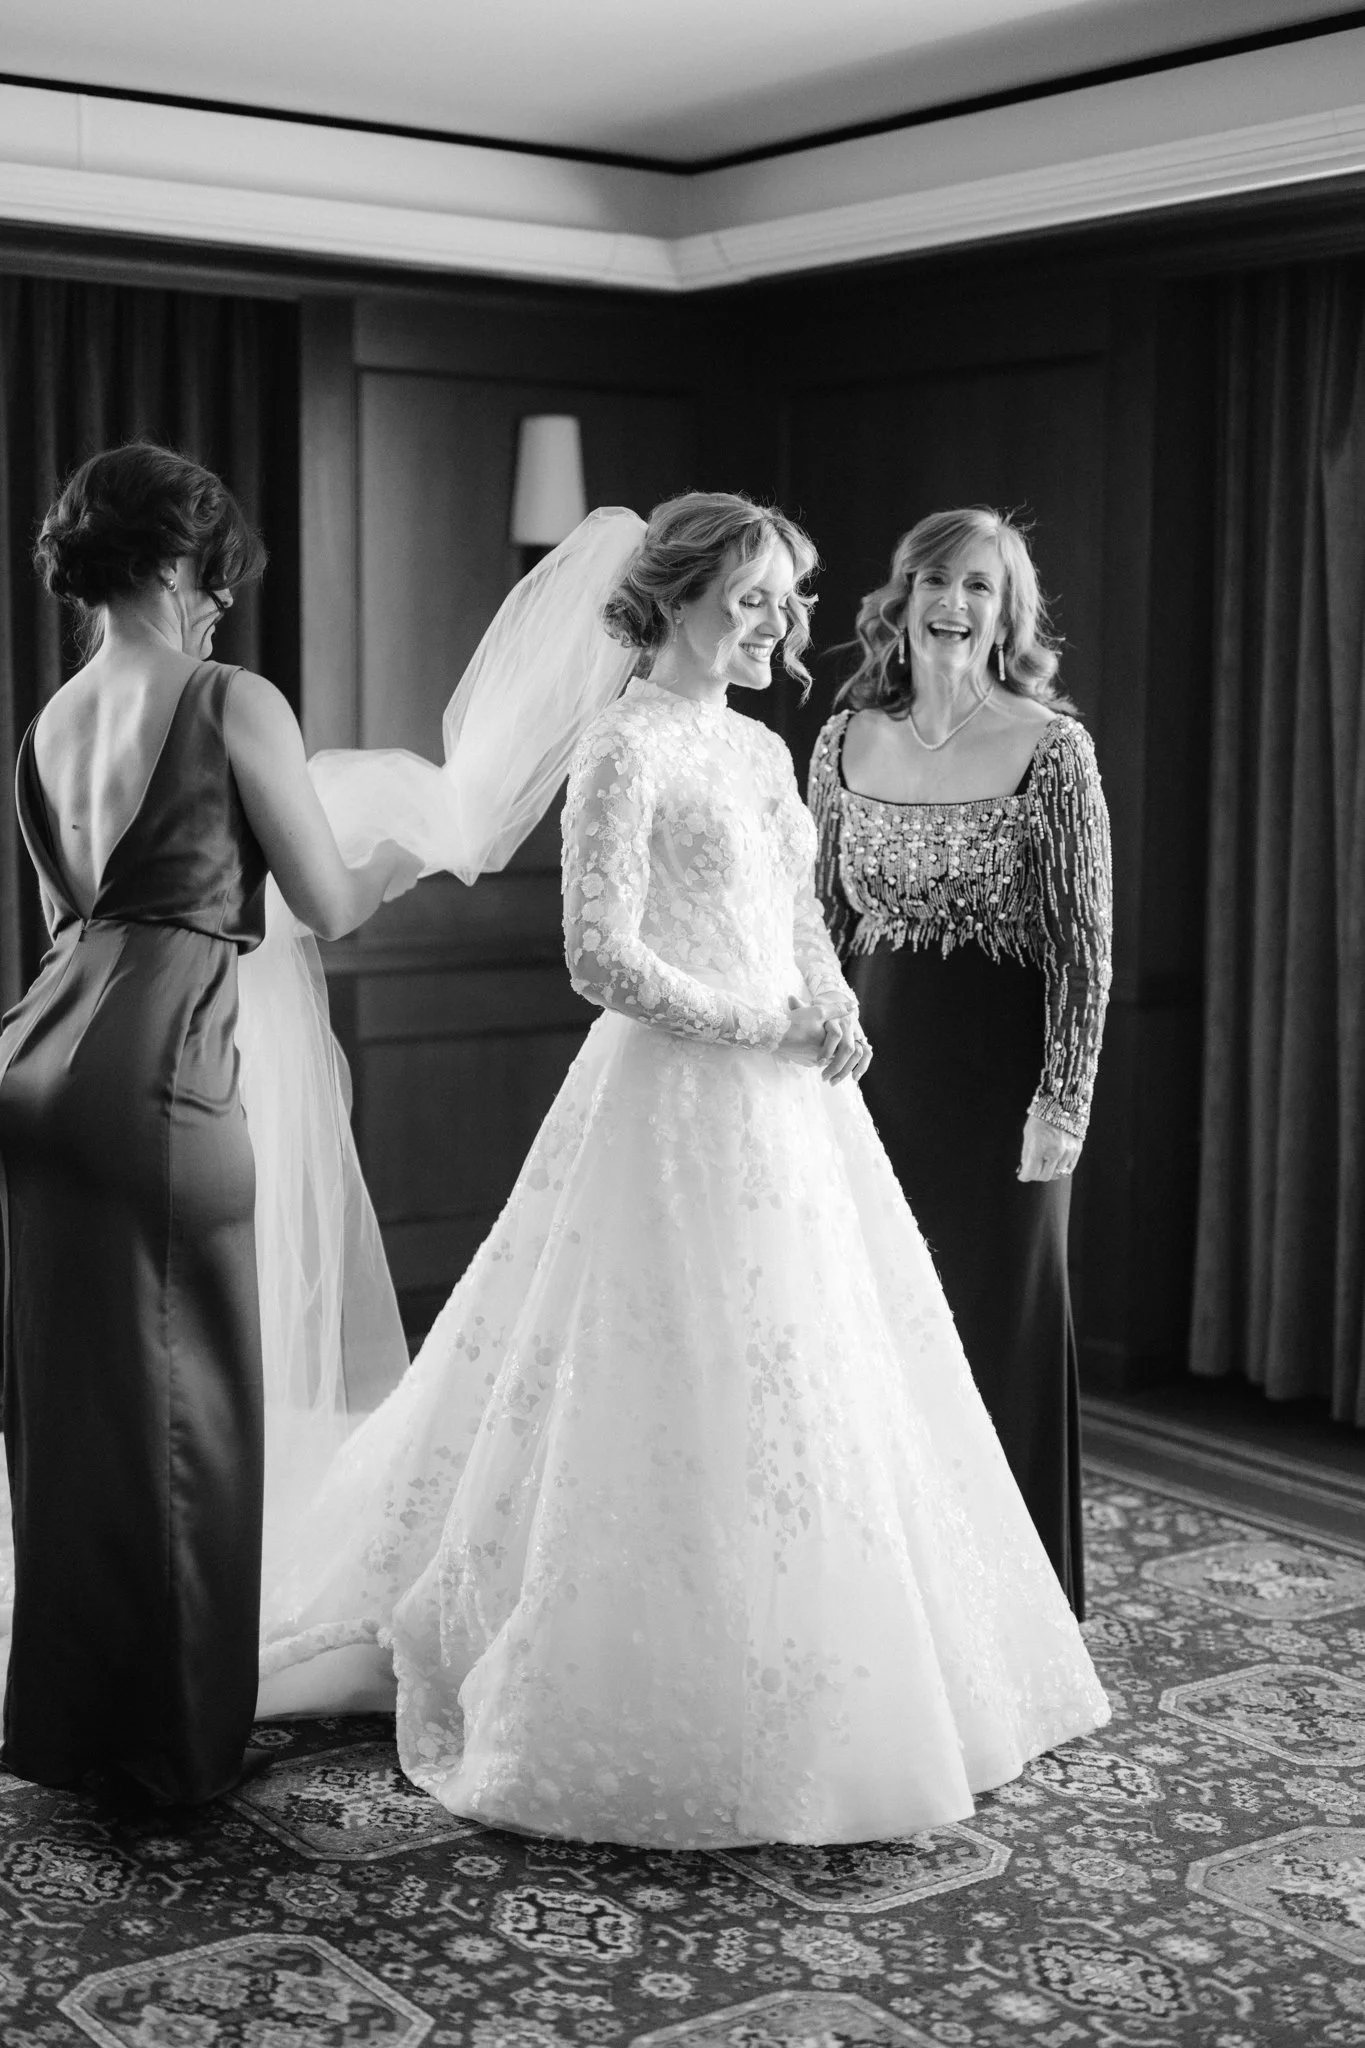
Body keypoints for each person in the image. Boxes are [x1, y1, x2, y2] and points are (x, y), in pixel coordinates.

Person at [260, 491, 1108, 1849]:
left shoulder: (763, 749)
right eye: (756, 597)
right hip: (669, 1103)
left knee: (823, 1377)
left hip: (796, 1113)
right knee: (666, 1370)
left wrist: (831, 998)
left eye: (791, 599)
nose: (784, 623)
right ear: (680, 598)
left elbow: (798, 912)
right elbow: (599, 958)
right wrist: (765, 1024)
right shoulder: (624, 741)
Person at [0, 442, 418, 1805]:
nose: (223, 602)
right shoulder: (231, 698)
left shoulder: (48, 723)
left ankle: (69, 1721)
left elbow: (83, 914)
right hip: (161, 1071)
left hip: (38, 1059)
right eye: (215, 575)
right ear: (177, 560)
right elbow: (329, 902)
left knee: (78, 1407)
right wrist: (413, 839)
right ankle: (171, 1744)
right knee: (198, 1406)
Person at [808, 507, 1111, 1615]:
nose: (955, 602)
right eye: (937, 579)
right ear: (903, 598)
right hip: (867, 1076)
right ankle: (898, 1598)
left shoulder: (1053, 749)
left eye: (980, 585)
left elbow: (1084, 944)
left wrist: (1063, 1100)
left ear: (1008, 613)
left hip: (1002, 1085)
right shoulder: (843, 738)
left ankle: (1018, 1607)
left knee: (998, 1322)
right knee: (877, 1322)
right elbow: (815, 921)